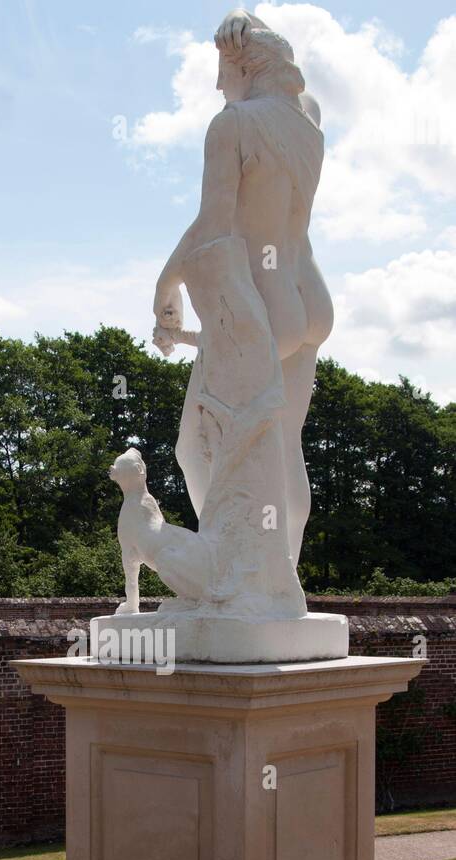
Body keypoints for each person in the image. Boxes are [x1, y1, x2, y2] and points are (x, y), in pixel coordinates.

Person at [153, 8, 333, 565]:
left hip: (264, 310)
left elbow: (212, 226)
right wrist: (242, 21)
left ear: (245, 66)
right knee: (285, 449)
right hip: (310, 300)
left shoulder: (231, 126)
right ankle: (281, 581)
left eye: (222, 71)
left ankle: (230, 566)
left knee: (194, 449)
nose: (215, 85)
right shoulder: (307, 122)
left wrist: (166, 283)